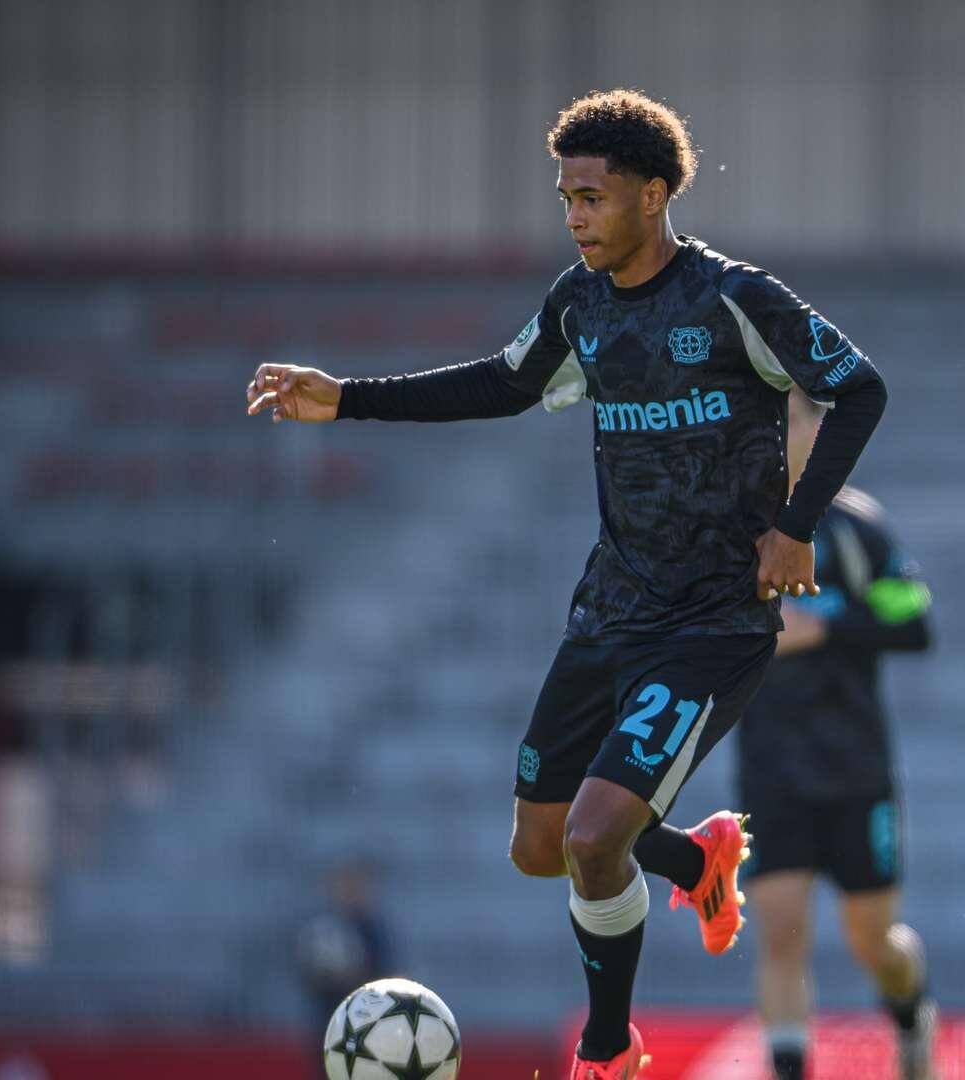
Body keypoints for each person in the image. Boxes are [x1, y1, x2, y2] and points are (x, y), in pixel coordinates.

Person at [246, 89, 888, 1080]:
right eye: (566, 199)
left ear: (655, 194)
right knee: (539, 849)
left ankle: (606, 1048)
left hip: (714, 626)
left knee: (593, 840)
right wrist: (348, 401)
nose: (576, 216)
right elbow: (503, 382)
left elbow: (860, 387)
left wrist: (795, 528)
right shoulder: (579, 305)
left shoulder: (733, 300)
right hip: (608, 612)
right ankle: (693, 858)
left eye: (592, 197)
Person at [737, 389, 937, 1080]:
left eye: (794, 414)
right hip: (771, 770)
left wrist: (824, 626)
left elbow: (913, 622)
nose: (786, 428)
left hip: (856, 768)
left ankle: (911, 1012)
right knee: (781, 931)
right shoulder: (732, 529)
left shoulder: (857, 528)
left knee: (872, 941)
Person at [296, 860, 394, 1080]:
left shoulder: (375, 930)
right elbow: (309, 974)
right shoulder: (324, 929)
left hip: (369, 1021)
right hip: (333, 1019)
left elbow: (387, 973)